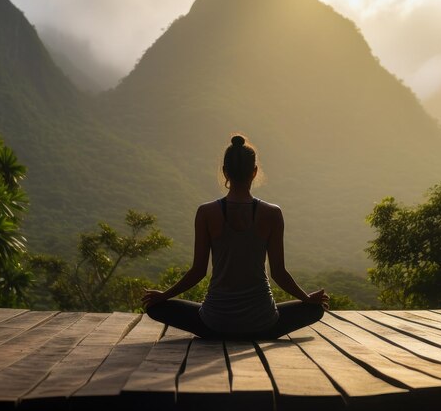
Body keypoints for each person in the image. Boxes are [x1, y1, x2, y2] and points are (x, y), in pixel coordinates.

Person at [141, 134, 329, 339]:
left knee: (156, 308)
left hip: (214, 323)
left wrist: (164, 296)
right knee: (314, 310)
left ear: (224, 172)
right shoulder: (272, 213)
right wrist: (306, 298)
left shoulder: (206, 212)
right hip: (263, 323)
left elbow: (198, 272)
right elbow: (279, 273)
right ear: (255, 172)